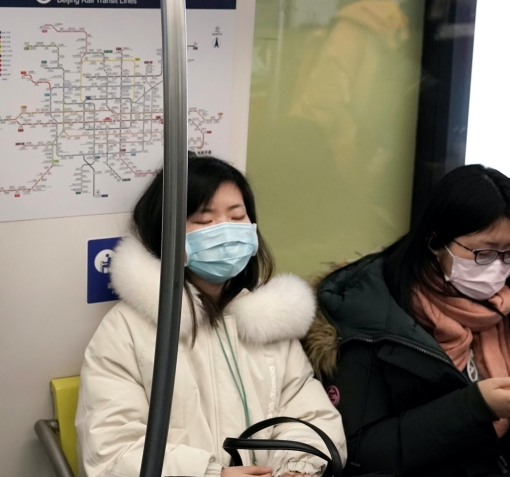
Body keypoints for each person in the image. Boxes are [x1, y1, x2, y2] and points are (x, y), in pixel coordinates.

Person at [77, 156, 346, 477]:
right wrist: (211, 474)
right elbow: (111, 451)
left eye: (237, 216)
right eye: (205, 221)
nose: (226, 231)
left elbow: (311, 416)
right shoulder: (127, 331)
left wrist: (298, 468)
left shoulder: (269, 322)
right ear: (166, 232)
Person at [307, 165, 510, 477]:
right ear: (436, 242)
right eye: (483, 253)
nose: (498, 268)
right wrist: (474, 407)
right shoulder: (373, 316)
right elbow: (363, 452)